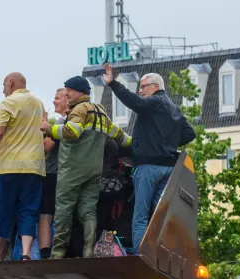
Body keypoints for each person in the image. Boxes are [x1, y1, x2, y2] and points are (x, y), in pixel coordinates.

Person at [103, 63, 196, 253]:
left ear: (155, 86)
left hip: (148, 168)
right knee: (160, 215)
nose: (140, 91)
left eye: (143, 87)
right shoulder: (174, 108)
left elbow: (135, 103)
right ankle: (166, 251)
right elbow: (189, 133)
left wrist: (113, 84)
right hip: (169, 170)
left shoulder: (155, 102)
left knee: (141, 216)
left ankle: (141, 255)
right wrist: (167, 144)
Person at [45, 76, 131, 258]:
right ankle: (88, 250)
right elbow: (119, 135)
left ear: (78, 92)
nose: (66, 95)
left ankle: (58, 252)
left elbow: (72, 132)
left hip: (73, 169)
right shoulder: (100, 111)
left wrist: (48, 129)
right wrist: (136, 144)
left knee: (63, 208)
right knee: (88, 210)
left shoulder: (79, 109)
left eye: (68, 91)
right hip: (94, 170)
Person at [0, 72, 46, 261]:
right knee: (28, 210)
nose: (3, 89)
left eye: (3, 85)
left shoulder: (8, 102)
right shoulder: (38, 103)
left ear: (10, 83)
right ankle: (26, 253)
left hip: (9, 166)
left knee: (0, 208)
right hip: (34, 167)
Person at [38, 88, 68, 259]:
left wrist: (44, 127)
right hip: (66, 173)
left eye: (57, 98)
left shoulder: (60, 123)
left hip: (52, 172)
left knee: (46, 214)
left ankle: (46, 252)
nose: (54, 101)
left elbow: (46, 146)